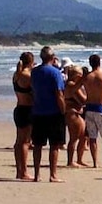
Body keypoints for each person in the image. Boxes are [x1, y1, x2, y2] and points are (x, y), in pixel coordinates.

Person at [30, 46, 66, 183]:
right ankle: (53, 174)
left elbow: (33, 89)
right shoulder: (55, 73)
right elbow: (59, 94)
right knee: (54, 145)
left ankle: (37, 174)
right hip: (53, 112)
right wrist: (63, 110)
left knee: (38, 145)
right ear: (52, 57)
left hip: (38, 110)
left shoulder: (35, 72)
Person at [12, 51, 35, 181]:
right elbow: (35, 92)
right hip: (27, 109)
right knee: (25, 142)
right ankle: (24, 171)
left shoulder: (16, 74)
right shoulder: (27, 76)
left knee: (19, 141)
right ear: (31, 62)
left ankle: (19, 170)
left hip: (19, 108)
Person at [63, 64, 88, 167]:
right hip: (73, 113)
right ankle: (70, 161)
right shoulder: (71, 85)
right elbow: (83, 100)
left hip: (76, 112)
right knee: (74, 138)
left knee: (83, 137)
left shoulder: (73, 85)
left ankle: (79, 159)